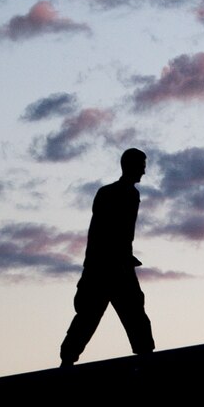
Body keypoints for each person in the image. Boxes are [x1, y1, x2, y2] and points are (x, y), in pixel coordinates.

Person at [61, 148, 155, 366]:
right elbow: (111, 232)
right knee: (104, 317)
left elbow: (105, 234)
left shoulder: (113, 193)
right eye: (142, 166)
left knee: (91, 317)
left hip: (105, 265)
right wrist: (118, 261)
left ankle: (67, 360)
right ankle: (67, 360)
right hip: (110, 267)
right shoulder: (128, 194)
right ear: (131, 166)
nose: (144, 171)